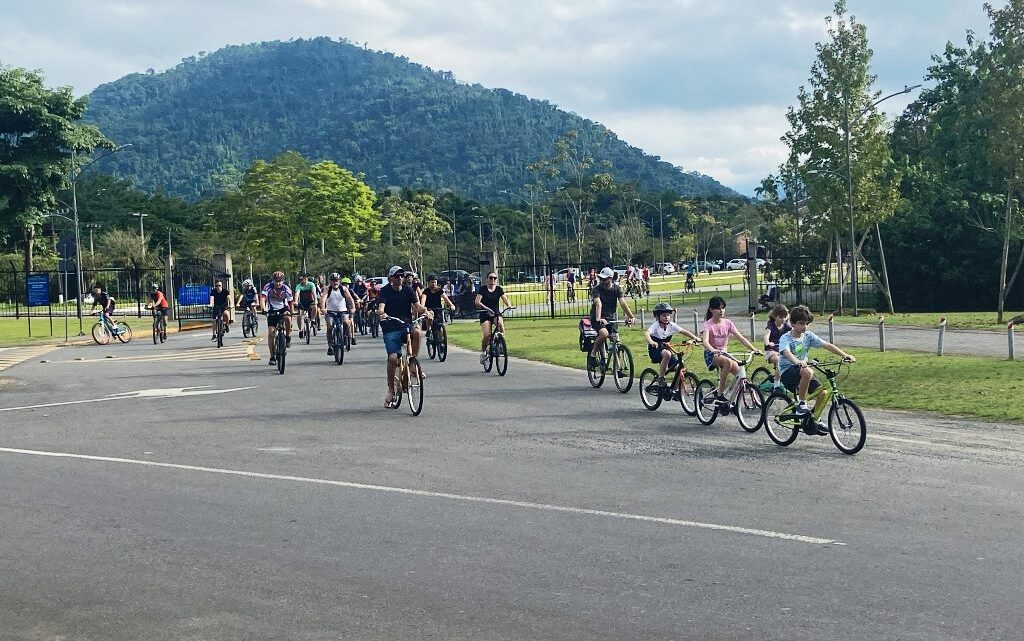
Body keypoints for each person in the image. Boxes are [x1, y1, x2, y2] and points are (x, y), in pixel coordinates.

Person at [778, 305, 856, 433]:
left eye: (807, 324)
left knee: (823, 393)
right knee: (808, 371)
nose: (805, 327)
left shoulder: (808, 336)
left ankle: (814, 419)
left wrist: (845, 355)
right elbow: (786, 352)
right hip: (788, 372)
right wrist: (797, 361)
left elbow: (826, 345)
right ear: (792, 323)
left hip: (803, 371)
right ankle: (801, 405)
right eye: (801, 323)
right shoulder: (786, 338)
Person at [377, 266, 431, 408]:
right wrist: (382, 313)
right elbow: (381, 307)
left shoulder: (408, 290)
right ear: (390, 278)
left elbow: (417, 306)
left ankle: (412, 363)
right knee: (393, 359)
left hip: (405, 325)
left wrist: (426, 311)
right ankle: (391, 389)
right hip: (390, 327)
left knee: (417, 332)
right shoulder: (385, 291)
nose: (400, 278)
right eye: (397, 276)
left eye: (402, 275)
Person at [700, 296, 761, 406]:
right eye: (718, 308)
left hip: (724, 354)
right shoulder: (707, 324)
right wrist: (713, 350)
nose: (721, 311)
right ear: (711, 310)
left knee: (741, 374)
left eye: (723, 308)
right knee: (728, 363)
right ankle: (720, 394)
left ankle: (748, 398)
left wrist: (754, 349)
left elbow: (741, 338)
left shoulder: (728, 323)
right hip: (711, 355)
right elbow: (705, 341)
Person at [645, 302, 700, 395]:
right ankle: (661, 378)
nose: (666, 317)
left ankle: (674, 391)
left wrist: (695, 338)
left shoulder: (671, 325)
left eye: (668, 315)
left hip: (666, 349)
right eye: (663, 315)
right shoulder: (655, 325)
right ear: (658, 317)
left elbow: (684, 331)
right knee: (667, 354)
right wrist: (652, 342)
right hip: (655, 350)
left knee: (680, 368)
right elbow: (646, 333)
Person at [588, 266, 636, 367]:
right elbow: (598, 304)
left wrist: (631, 317)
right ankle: (592, 354)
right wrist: (598, 319)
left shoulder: (616, 289)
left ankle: (617, 369)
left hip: (610, 318)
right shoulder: (596, 289)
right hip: (597, 317)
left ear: (610, 278)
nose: (602, 281)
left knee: (616, 341)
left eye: (604, 279)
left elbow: (623, 303)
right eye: (601, 278)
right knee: (604, 334)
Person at [475, 271, 515, 363]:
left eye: (494, 278)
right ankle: (483, 352)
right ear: (487, 279)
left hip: (495, 314)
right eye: (490, 278)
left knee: (500, 325)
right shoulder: (483, 289)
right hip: (485, 314)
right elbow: (477, 302)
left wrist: (509, 305)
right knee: (487, 335)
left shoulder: (498, 289)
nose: (493, 280)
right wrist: (486, 308)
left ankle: (500, 344)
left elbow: (504, 298)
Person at [260, 271, 293, 365]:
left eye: (280, 281)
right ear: (273, 280)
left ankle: (287, 336)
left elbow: (290, 302)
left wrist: (291, 311)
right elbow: (262, 298)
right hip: (271, 310)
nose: (278, 283)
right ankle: (272, 356)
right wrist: (263, 309)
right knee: (271, 333)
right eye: (276, 281)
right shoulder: (268, 287)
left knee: (287, 318)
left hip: (283, 308)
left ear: (283, 281)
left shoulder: (286, 288)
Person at [320, 272, 356, 356]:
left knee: (346, 322)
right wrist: (322, 308)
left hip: (342, 311)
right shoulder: (327, 289)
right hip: (330, 312)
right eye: (333, 280)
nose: (335, 282)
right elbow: (323, 299)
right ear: (330, 281)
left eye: (336, 280)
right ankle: (330, 346)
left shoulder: (343, 289)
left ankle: (344, 336)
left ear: (339, 281)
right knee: (329, 326)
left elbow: (350, 299)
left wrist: (353, 307)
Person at [763, 304, 791, 389]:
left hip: (781, 350)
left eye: (785, 317)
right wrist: (768, 343)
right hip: (771, 351)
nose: (783, 319)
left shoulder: (786, 326)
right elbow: (766, 336)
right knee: (779, 360)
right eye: (781, 317)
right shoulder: (771, 325)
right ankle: (776, 385)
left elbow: (794, 332)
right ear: (775, 317)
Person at [421, 273, 456, 337]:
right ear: (428, 282)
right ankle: (428, 329)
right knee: (429, 318)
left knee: (440, 327)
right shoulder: (426, 291)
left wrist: (451, 305)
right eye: (432, 282)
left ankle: (441, 342)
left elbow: (446, 298)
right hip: (429, 309)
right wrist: (423, 308)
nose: (434, 284)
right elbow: (423, 299)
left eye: (435, 282)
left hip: (438, 309)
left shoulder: (439, 290)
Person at [294, 273, 317, 339]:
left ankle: (312, 320)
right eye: (300, 279)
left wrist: (315, 301)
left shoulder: (311, 284)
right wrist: (295, 301)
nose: (301, 281)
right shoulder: (298, 286)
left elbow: (314, 293)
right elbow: (297, 294)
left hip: (310, 301)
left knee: (314, 307)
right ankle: (300, 330)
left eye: (302, 279)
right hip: (302, 303)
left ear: (306, 279)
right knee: (299, 315)